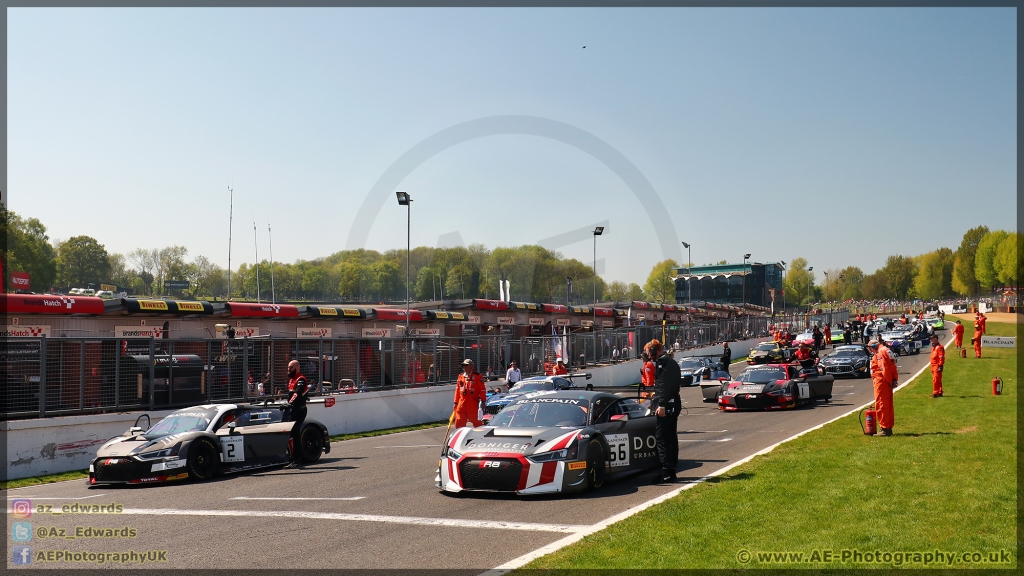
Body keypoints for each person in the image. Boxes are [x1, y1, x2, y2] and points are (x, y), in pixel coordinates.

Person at [648, 339, 681, 483]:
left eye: (649, 353)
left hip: (666, 406)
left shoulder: (662, 362)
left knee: (662, 438)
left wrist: (661, 404)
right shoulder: (671, 361)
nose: (649, 357)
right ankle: (671, 471)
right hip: (674, 403)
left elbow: (663, 385)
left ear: (655, 351)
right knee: (671, 437)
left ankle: (667, 472)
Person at [283, 360, 309, 468]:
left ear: (297, 368)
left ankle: (297, 460)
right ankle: (292, 458)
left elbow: (297, 393)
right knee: (291, 434)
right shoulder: (291, 379)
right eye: (288, 367)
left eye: (291, 367)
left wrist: (289, 403)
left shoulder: (300, 379)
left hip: (299, 410)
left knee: (295, 434)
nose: (288, 369)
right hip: (293, 410)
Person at [868, 340, 897, 436]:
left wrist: (889, 381)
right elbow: (893, 366)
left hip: (881, 382)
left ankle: (885, 429)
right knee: (887, 405)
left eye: (870, 349)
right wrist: (893, 380)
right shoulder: (887, 350)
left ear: (873, 346)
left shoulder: (880, 352)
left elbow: (883, 368)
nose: (871, 351)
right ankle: (888, 427)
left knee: (881, 404)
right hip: (886, 382)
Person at [453, 359, 487, 428]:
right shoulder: (460, 376)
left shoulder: (477, 376)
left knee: (477, 423)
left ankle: (480, 437)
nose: (464, 367)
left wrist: (483, 401)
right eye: (463, 365)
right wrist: (455, 403)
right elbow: (457, 391)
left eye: (466, 365)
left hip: (472, 403)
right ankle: (461, 437)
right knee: (459, 422)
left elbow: (482, 390)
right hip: (461, 403)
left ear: (471, 366)